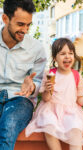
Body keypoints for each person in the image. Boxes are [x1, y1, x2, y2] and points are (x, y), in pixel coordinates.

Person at [26, 38, 83, 150]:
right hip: (51, 110)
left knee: (76, 129)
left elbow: (79, 99)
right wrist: (48, 90)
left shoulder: (77, 76)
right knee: (49, 127)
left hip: (69, 111)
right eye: (62, 54)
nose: (67, 56)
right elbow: (45, 99)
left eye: (70, 53)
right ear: (55, 58)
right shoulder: (49, 74)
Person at [0, 0, 47, 149]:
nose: (25, 30)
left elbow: (39, 82)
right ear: (5, 19)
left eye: (28, 25)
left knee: (9, 126)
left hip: (20, 100)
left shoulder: (36, 49)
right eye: (20, 24)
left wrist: (32, 86)